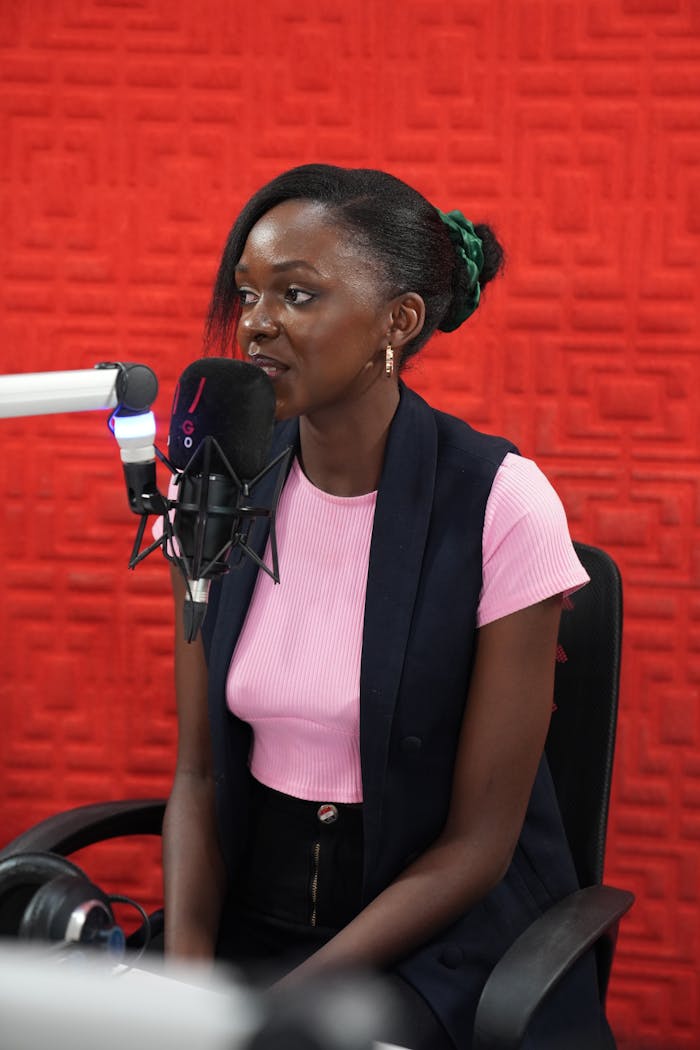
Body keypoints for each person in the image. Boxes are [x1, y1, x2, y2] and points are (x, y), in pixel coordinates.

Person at [161, 164, 611, 1049]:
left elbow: (481, 846)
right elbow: (197, 779)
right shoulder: (216, 484)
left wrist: (279, 1008)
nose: (256, 324)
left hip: (435, 931)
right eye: (248, 294)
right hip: (257, 908)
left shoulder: (500, 502)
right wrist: (183, 987)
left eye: (297, 295)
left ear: (398, 323)